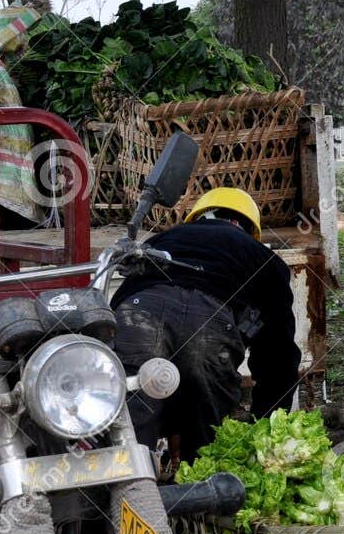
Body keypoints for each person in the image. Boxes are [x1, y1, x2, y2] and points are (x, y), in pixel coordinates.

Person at [112, 187, 301, 463]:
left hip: (139, 314)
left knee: (131, 426)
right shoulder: (264, 259)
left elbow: (121, 301)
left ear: (198, 218)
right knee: (205, 447)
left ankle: (126, 491)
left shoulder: (165, 238)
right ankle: (197, 493)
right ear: (249, 229)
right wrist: (267, 432)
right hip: (210, 327)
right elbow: (278, 358)